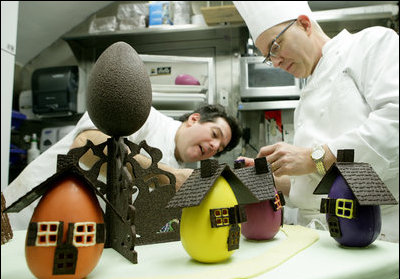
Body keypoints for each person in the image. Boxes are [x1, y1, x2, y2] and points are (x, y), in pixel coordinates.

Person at [234, 1, 399, 242]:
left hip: (374, 231)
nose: (276, 62)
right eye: (269, 57)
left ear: (304, 24)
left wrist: (315, 157)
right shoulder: (304, 99)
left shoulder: (371, 43)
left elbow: (394, 120)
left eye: (275, 46)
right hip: (314, 237)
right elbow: (312, 187)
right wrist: (272, 176)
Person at [4, 104, 242, 230]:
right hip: (25, 213)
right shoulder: (143, 114)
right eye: (215, 134)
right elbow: (85, 147)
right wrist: (168, 176)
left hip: (76, 235)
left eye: (219, 149)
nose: (214, 146)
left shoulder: (180, 170)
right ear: (194, 119)